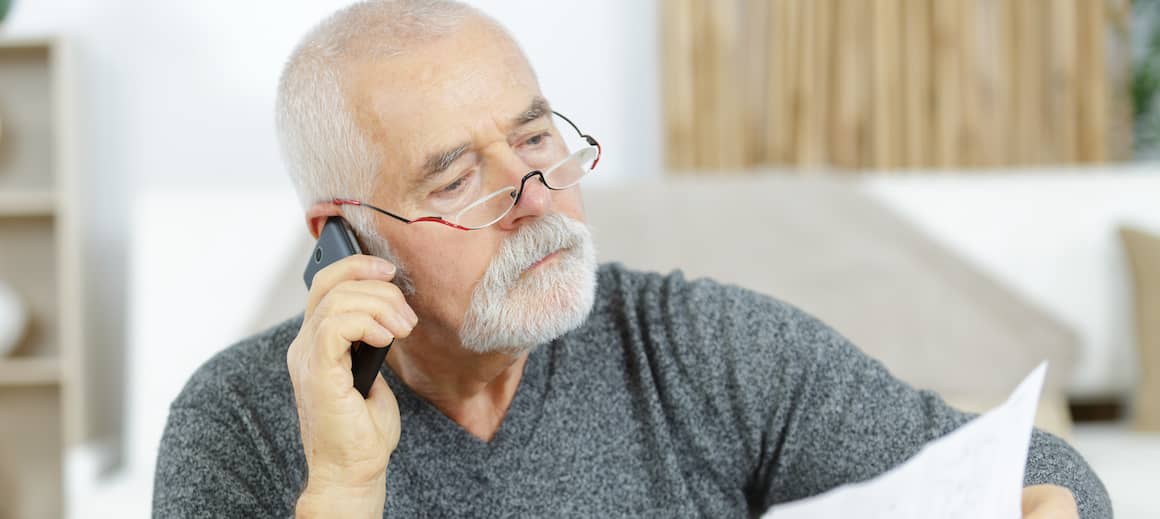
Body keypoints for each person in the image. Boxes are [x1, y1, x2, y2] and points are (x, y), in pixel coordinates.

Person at [152, 1, 1111, 517]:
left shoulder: (697, 345)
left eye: (535, 141)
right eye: (454, 182)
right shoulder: (235, 421)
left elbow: (1029, 463)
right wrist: (345, 488)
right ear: (344, 234)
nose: (533, 196)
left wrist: (1045, 503)